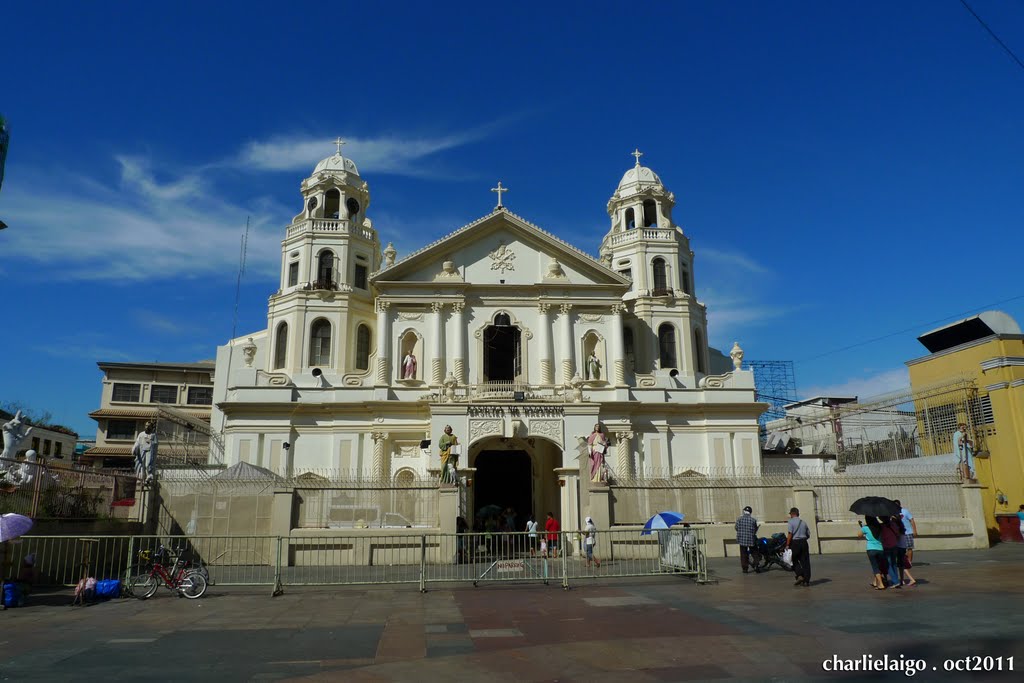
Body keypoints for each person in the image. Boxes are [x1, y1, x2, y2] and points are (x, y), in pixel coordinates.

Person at [786, 507, 811, 586]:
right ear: (798, 513)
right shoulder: (803, 522)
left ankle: (799, 574)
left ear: (792, 514)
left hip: (795, 543)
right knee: (805, 562)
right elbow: (808, 534)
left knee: (792, 559)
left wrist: (787, 545)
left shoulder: (790, 522)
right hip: (804, 542)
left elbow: (790, 534)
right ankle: (806, 580)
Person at [859, 517, 886, 590]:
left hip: (871, 549)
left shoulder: (865, 528)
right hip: (880, 548)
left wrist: (863, 529)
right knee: (879, 566)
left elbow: (859, 535)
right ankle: (875, 582)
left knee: (875, 567)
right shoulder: (880, 527)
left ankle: (880, 584)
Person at [878, 514, 903, 589]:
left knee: (888, 565)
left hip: (886, 547)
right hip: (894, 545)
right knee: (894, 563)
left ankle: (895, 581)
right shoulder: (894, 525)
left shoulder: (881, 526)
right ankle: (895, 580)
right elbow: (898, 534)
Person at [735, 506, 759, 574]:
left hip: (742, 539)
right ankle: (756, 564)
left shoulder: (739, 519)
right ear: (750, 512)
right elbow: (755, 530)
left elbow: (736, 528)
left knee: (743, 554)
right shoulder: (753, 520)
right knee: (755, 553)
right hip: (751, 539)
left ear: (744, 511)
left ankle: (745, 569)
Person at [894, 499, 917, 567]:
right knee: (898, 548)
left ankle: (909, 562)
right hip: (898, 534)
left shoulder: (905, 511)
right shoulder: (892, 513)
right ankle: (900, 561)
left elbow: (911, 520)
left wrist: (914, 530)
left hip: (908, 532)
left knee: (909, 548)